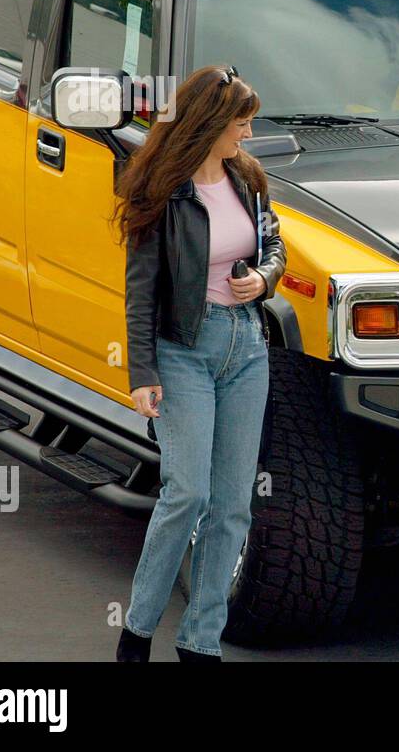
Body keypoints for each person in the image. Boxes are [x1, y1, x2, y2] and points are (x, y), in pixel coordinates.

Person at [111, 65, 286, 660]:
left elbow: (275, 244)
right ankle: (137, 632)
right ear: (211, 124)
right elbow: (140, 291)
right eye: (242, 123)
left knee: (233, 504)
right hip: (182, 352)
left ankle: (200, 644)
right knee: (187, 493)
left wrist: (262, 279)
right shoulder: (162, 189)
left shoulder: (249, 179)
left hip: (247, 350)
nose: (249, 134)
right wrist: (142, 374)